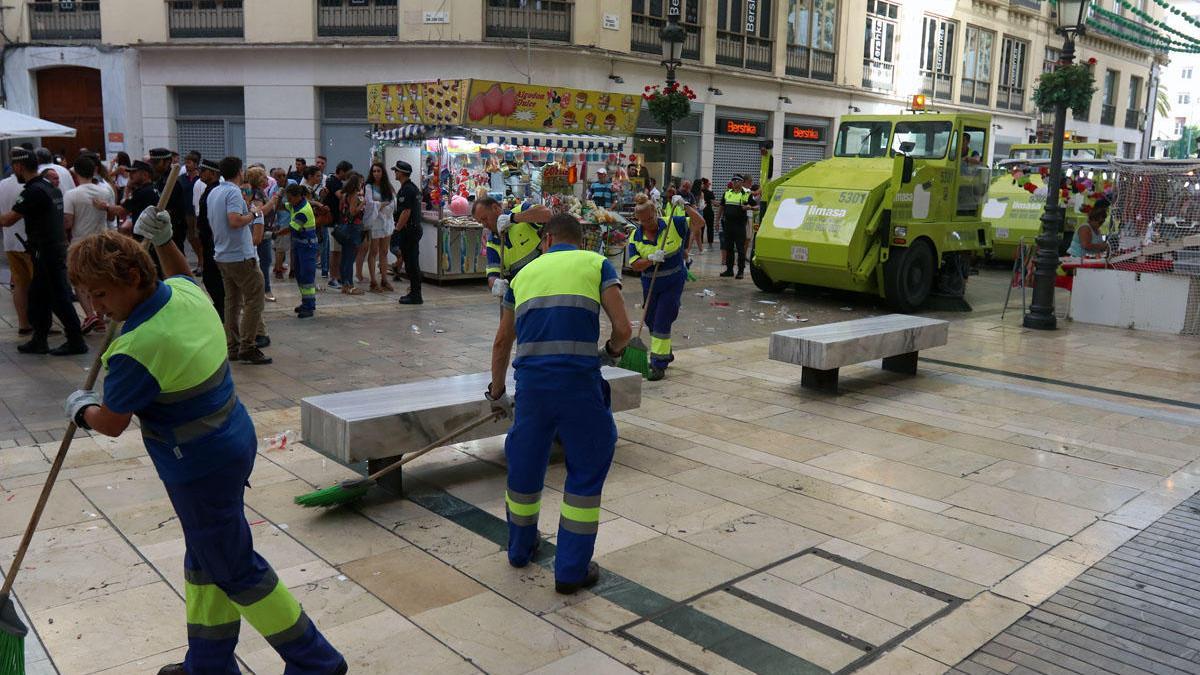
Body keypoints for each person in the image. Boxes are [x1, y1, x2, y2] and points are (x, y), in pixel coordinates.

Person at [64, 225, 346, 675]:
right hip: (233, 438)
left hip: (197, 467)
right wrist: (166, 242)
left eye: (102, 294)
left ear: (134, 277)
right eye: (87, 296)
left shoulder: (137, 347)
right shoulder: (184, 294)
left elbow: (112, 423)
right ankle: (209, 665)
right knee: (205, 558)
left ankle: (317, 661)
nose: (97, 308)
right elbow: (179, 274)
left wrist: (82, 410)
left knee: (236, 569)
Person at [486, 212, 632, 594]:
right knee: (586, 467)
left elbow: (502, 342)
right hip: (579, 387)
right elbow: (624, 329)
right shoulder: (596, 263)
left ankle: (519, 550)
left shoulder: (521, 276)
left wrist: (497, 391)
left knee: (525, 465)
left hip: (532, 389)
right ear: (580, 241)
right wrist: (611, 353)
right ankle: (570, 571)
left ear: (546, 241)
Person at [0, 147, 86, 355]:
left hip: (45, 252)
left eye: (15, 168)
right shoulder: (49, 187)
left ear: (20, 166)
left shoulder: (33, 191)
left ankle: (76, 340)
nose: (15, 172)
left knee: (59, 297)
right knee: (40, 296)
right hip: (51, 249)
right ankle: (40, 339)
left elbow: (8, 220)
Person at [627, 196, 703, 381]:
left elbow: (699, 222)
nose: (647, 223)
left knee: (662, 320)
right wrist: (651, 259)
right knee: (651, 320)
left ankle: (658, 364)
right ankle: (666, 351)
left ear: (655, 212)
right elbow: (635, 265)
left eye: (650, 218)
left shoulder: (673, 224)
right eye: (643, 220)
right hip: (650, 284)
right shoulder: (635, 236)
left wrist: (685, 205)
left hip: (673, 282)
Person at [208, 156, 271, 365]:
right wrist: (253, 215)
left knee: (232, 302)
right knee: (255, 298)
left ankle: (233, 346)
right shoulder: (232, 191)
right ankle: (248, 345)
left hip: (223, 254)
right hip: (240, 255)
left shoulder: (214, 192)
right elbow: (234, 221)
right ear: (239, 171)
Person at [63, 155, 116, 333]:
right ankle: (100, 315)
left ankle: (90, 315)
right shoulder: (105, 191)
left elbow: (68, 223)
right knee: (100, 278)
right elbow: (111, 216)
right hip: (102, 240)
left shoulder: (71, 194)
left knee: (79, 281)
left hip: (80, 242)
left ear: (76, 172)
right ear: (94, 170)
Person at [475, 195, 553, 299]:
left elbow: (547, 214)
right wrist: (496, 284)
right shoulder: (492, 244)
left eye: (485, 218)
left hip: (549, 282)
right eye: (481, 222)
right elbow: (492, 275)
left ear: (495, 208)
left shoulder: (521, 210)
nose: (484, 225)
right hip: (525, 292)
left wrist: (513, 218)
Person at [278, 184, 319, 318]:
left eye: (290, 198)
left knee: (307, 276)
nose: (288, 201)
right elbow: (282, 206)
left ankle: (309, 306)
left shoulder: (303, 211)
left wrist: (275, 234)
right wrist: (278, 198)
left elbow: (291, 228)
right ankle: (305, 301)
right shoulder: (295, 204)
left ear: (298, 196)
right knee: (300, 275)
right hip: (299, 246)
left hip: (308, 248)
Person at [0, 171, 32, 335]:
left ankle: (23, 323)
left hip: (10, 241)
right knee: (38, 284)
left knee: (19, 284)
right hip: (29, 242)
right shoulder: (30, 186)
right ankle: (43, 324)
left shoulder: (2, 184)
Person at [194, 159, 225, 319]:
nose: (200, 173)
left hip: (213, 241)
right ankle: (221, 306)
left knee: (213, 278)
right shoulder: (209, 189)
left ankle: (223, 308)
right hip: (207, 241)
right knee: (209, 278)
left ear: (213, 173)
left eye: (203, 170)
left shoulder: (216, 190)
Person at [392, 160, 424, 305]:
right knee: (412, 263)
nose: (395, 173)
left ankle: (415, 295)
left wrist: (397, 229)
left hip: (409, 230)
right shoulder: (412, 188)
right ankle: (414, 292)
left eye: (396, 171)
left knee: (411, 264)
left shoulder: (407, 190)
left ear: (402, 173)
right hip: (414, 229)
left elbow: (406, 211)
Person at [149, 148, 193, 251]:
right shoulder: (159, 179)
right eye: (152, 162)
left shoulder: (172, 181)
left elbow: (172, 208)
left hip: (173, 227)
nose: (153, 166)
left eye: (156, 162)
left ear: (167, 162)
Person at [363, 161, 395, 292]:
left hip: (387, 221)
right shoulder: (369, 187)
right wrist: (381, 205)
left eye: (379, 171)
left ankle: (384, 279)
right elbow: (370, 204)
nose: (376, 173)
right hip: (375, 222)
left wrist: (381, 205)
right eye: (374, 171)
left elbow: (392, 203)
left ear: (383, 173)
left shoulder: (388, 186)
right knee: (374, 251)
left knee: (384, 251)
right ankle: (373, 281)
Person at [719, 174, 754, 279]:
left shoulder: (746, 194)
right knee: (728, 248)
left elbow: (756, 206)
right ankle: (729, 270)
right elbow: (721, 207)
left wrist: (749, 207)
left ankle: (740, 271)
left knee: (740, 249)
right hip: (728, 225)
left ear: (742, 182)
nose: (735, 183)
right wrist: (717, 221)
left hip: (739, 226)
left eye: (737, 181)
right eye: (733, 181)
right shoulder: (727, 193)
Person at [337, 171, 366, 296]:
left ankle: (344, 284)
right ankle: (349, 285)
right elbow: (353, 212)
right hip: (353, 227)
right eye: (360, 182)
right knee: (350, 257)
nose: (361, 184)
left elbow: (341, 210)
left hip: (344, 226)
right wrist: (362, 204)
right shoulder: (354, 195)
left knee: (344, 257)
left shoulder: (344, 195)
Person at [324, 161, 350, 288]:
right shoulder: (332, 181)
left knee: (338, 250)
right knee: (334, 251)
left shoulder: (337, 182)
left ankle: (337, 276)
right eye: (347, 173)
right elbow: (341, 196)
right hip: (332, 221)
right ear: (341, 171)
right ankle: (333, 277)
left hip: (338, 221)